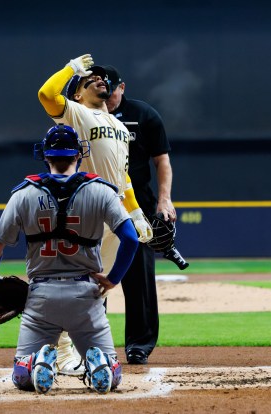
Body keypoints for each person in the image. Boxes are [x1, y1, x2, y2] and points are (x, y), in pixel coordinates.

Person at [0, 124, 139, 394]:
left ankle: (35, 362)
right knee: (113, 378)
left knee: (21, 377)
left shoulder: (23, 194)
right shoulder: (102, 190)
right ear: (79, 154)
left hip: (41, 297)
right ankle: (99, 362)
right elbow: (131, 238)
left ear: (45, 156)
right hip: (87, 296)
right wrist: (113, 279)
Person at [38, 54, 153, 375]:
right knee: (73, 281)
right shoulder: (76, 113)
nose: (100, 80)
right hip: (86, 206)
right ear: (77, 94)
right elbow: (46, 95)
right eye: (91, 81)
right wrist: (70, 70)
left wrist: (136, 212)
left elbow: (124, 175)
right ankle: (58, 351)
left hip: (112, 208)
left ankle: (85, 347)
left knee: (95, 286)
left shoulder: (117, 125)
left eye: (103, 79)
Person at [101, 64, 177, 365]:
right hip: (94, 203)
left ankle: (139, 344)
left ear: (122, 87)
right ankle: (92, 341)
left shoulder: (143, 115)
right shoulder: (82, 115)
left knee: (139, 277)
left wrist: (164, 201)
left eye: (111, 91)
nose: (107, 97)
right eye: (101, 91)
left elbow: (162, 162)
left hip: (137, 204)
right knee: (90, 272)